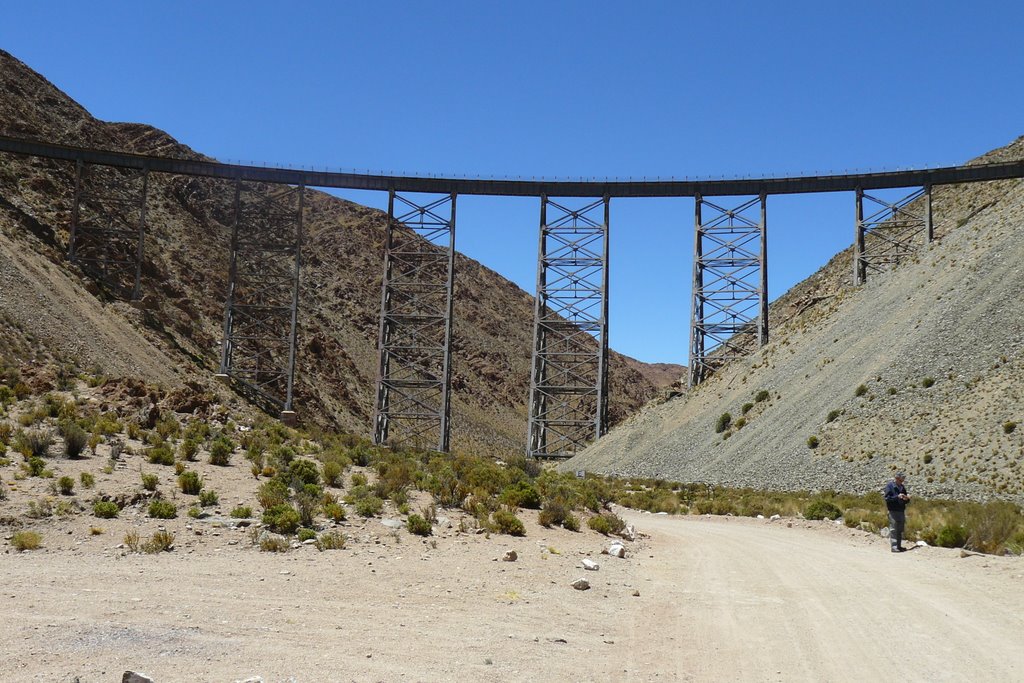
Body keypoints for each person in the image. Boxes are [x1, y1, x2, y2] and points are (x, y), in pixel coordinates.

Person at [884, 472, 911, 552]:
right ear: (897, 478)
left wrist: (907, 499)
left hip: (901, 510)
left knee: (900, 529)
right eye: (901, 479)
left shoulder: (902, 487)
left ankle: (899, 546)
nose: (902, 481)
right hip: (893, 510)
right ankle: (894, 547)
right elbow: (887, 498)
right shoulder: (890, 486)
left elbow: (905, 499)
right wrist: (897, 497)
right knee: (894, 529)